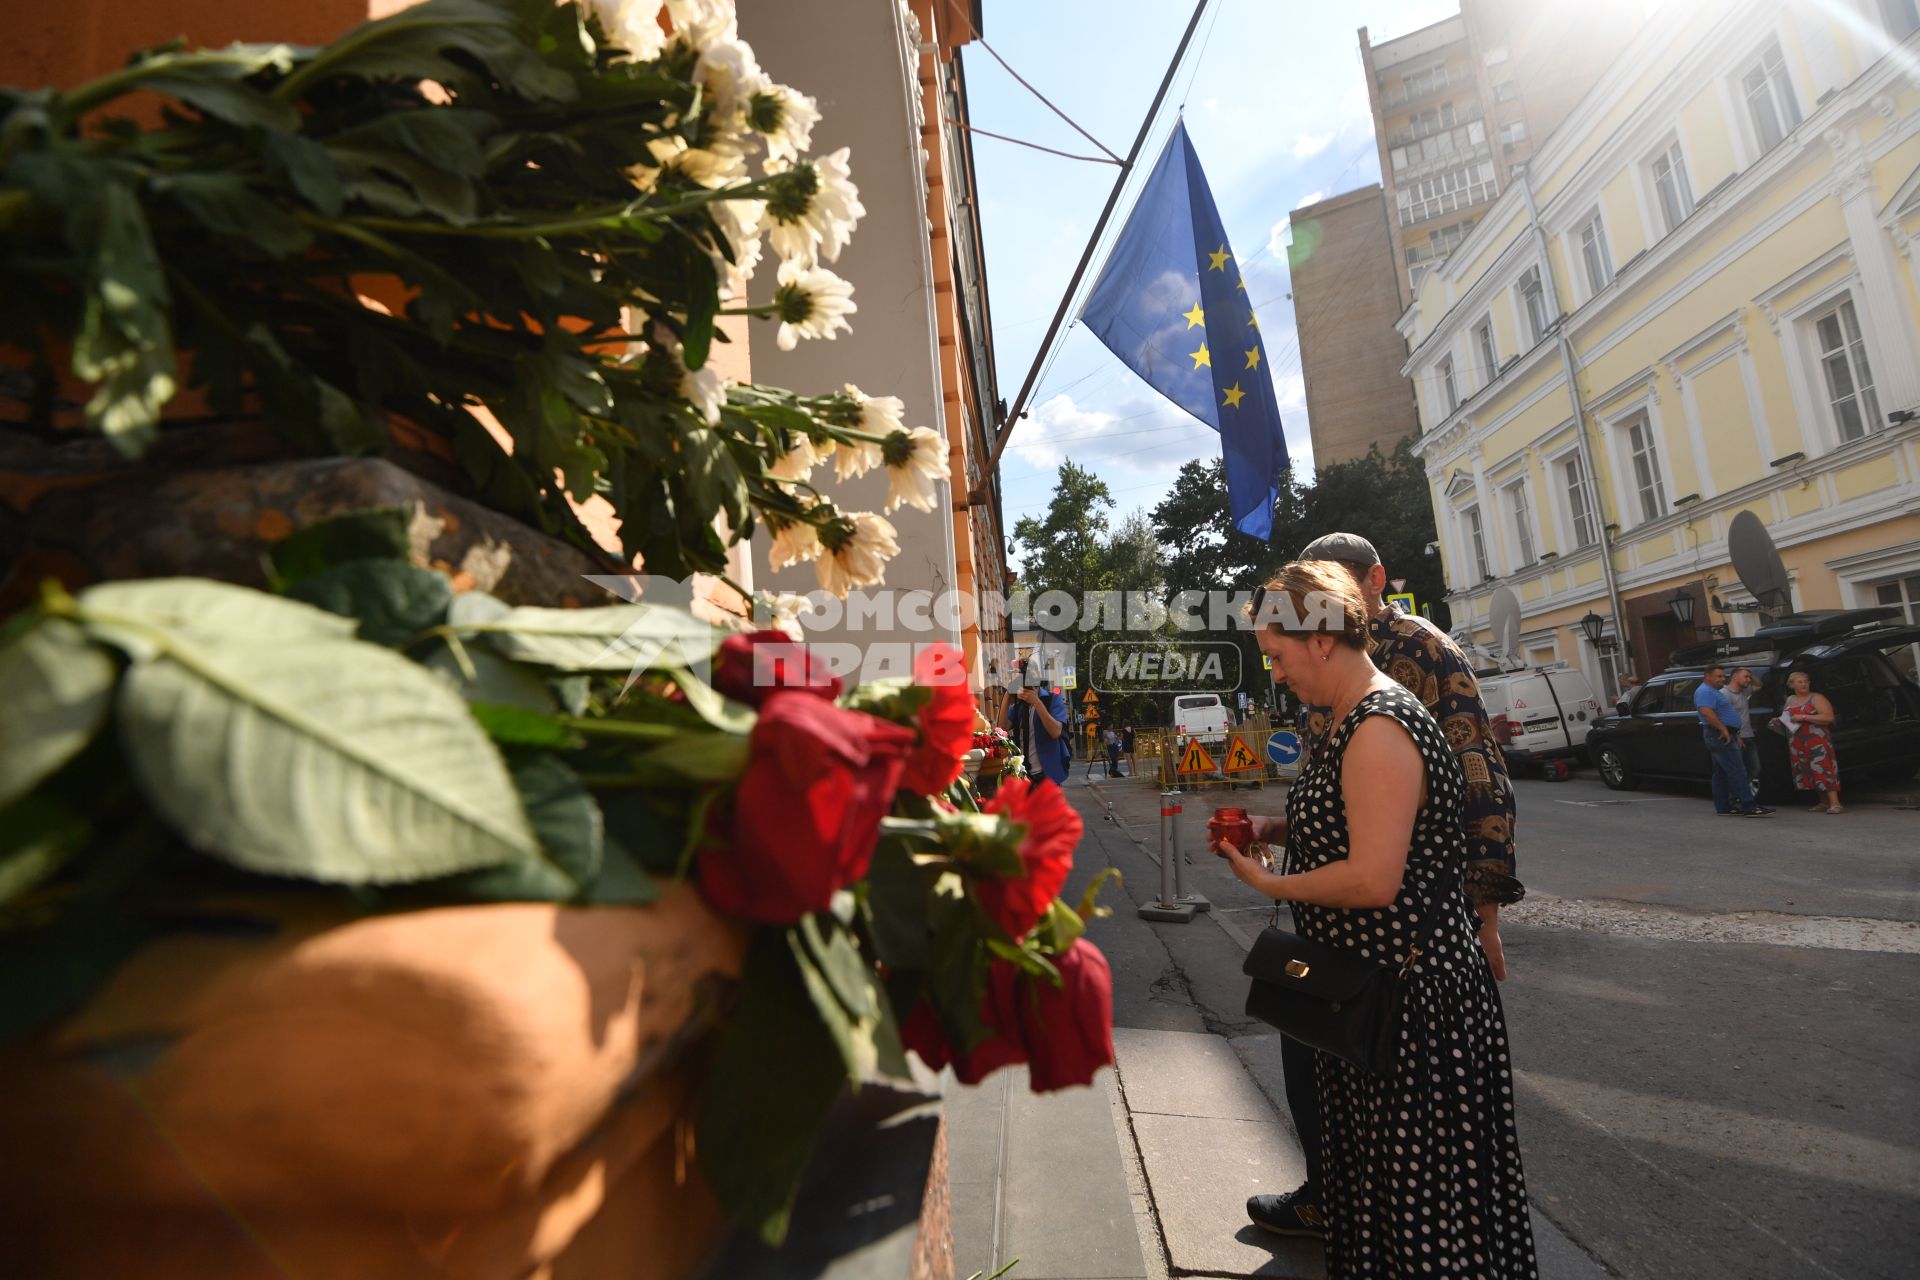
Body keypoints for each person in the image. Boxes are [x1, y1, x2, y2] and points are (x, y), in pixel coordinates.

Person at [1215, 560, 1537, 1277]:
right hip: (1376, 1008)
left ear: (1320, 640)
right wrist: (1269, 826)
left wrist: (1269, 879)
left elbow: (1372, 877)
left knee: (1426, 1222)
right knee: (1388, 1211)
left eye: (1278, 655)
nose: (1277, 674)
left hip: (1411, 1018)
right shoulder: (1357, 719)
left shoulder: (1379, 724)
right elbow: (1354, 827)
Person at [1694, 665, 1773, 817]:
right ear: (1707, 676)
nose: (1722, 679)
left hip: (1726, 733)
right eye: (1718, 676)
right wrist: (1723, 729)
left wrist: (1733, 731)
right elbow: (1706, 711)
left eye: (1723, 676)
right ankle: (1749, 805)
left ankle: (1724, 806)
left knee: (1721, 772)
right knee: (1737, 770)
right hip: (1719, 734)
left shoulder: (1713, 691)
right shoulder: (1705, 691)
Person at [999, 660, 1070, 787]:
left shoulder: (1052, 699)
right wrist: (1007, 697)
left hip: (1047, 778)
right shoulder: (1018, 706)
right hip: (1023, 777)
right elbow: (1001, 730)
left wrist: (1036, 702)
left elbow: (1055, 732)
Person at [1781, 670, 1842, 813]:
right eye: (1800, 682)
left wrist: (1804, 717)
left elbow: (1828, 718)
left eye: (1806, 681)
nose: (1804, 684)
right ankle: (1823, 801)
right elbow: (1787, 716)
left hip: (1816, 740)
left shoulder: (1817, 698)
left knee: (1824, 767)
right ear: (1791, 685)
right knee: (1808, 769)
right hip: (1797, 740)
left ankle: (1835, 802)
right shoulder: (1790, 699)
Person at [1725, 667, 1762, 801]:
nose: (1748, 680)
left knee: (1754, 768)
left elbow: (1759, 685)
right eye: (1745, 677)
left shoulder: (1744, 691)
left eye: (1749, 677)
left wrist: (1749, 673)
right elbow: (1725, 717)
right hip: (1736, 737)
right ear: (1734, 677)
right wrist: (1736, 735)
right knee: (1737, 769)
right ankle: (1736, 798)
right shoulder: (1725, 693)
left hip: (1749, 735)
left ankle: (1740, 795)